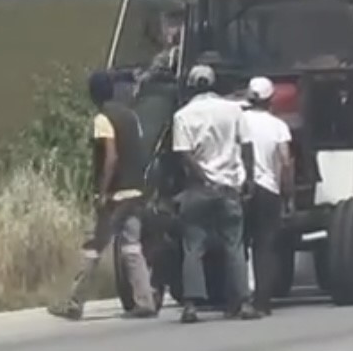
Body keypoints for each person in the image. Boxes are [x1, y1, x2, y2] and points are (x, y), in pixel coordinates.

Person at [49, 70, 157, 321]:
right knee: (132, 247)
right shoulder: (131, 116)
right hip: (135, 190)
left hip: (116, 194)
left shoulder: (103, 119)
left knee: (94, 246)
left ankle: (74, 303)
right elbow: (139, 151)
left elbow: (111, 156)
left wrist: (103, 191)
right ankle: (145, 301)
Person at [171, 63, 258, 323]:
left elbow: (183, 154)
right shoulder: (232, 111)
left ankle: (191, 305)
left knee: (193, 246)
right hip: (229, 186)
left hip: (198, 190)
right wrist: (249, 178)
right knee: (234, 245)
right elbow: (247, 146)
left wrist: (202, 176)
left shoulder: (183, 116)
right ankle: (242, 302)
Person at [240, 76, 294, 317]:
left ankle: (239, 297)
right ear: (271, 99)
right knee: (265, 247)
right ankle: (263, 300)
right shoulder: (278, 126)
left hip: (241, 188)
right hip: (269, 190)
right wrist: (287, 194)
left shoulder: (238, 121)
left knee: (238, 245)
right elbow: (285, 161)